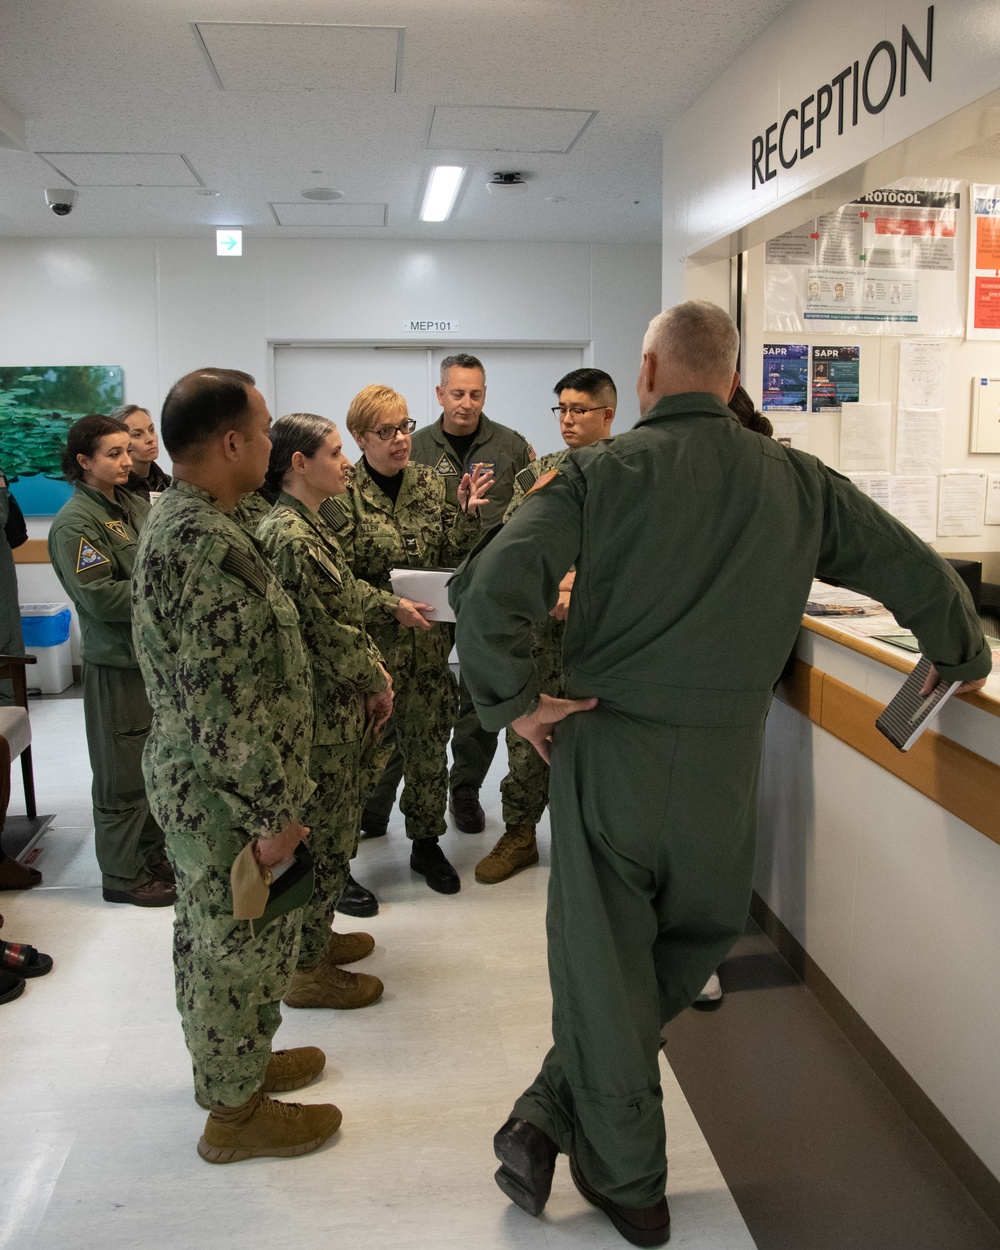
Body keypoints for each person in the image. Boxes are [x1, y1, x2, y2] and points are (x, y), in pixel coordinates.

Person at [449, 300, 990, 1247]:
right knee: (693, 939)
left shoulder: (595, 472)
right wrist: (958, 653)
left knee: (602, 963)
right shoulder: (801, 482)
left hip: (611, 749)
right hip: (727, 766)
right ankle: (550, 1111)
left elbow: (489, 588)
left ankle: (626, 1179)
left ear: (647, 377)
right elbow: (924, 580)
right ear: (734, 381)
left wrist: (513, 704)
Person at [132, 368, 340, 1163]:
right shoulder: (208, 548)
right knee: (231, 951)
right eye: (260, 431)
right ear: (229, 444)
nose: (271, 443)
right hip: (228, 799)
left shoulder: (193, 517)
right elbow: (229, 706)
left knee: (216, 938)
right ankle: (234, 1114)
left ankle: (237, 1068)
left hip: (198, 783)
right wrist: (272, 819)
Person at [323, 384, 490, 894]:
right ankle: (339, 864)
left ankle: (425, 843)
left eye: (405, 427)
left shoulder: (425, 484)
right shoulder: (340, 494)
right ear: (358, 436)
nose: (400, 440)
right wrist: (387, 605)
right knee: (353, 765)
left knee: (427, 755)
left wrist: (465, 516)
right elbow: (334, 582)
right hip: (370, 662)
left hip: (427, 655)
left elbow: (450, 554)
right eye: (386, 431)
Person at [257, 413, 391, 1010]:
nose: (345, 463)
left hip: (334, 709)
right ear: (298, 464)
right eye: (335, 453)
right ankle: (305, 970)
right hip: (318, 717)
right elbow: (325, 631)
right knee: (326, 839)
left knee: (336, 836)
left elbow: (342, 601)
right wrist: (376, 676)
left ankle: (317, 940)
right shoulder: (289, 534)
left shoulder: (309, 526)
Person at [475, 367, 616, 886]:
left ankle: (593, 845)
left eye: (579, 410)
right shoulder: (541, 474)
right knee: (527, 740)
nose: (568, 420)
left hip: (600, 639)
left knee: (599, 743)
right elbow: (519, 545)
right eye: (562, 409)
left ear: (608, 413)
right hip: (542, 635)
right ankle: (519, 834)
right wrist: (557, 576)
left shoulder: (627, 474)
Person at [47, 416, 174, 907]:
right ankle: (123, 877)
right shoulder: (76, 523)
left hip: (151, 662)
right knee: (122, 778)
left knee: (152, 769)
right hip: (116, 666)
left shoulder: (132, 506)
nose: (127, 460)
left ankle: (151, 857)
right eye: (113, 454)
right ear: (84, 462)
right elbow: (101, 598)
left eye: (128, 450)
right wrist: (167, 593)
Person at [408, 354, 534, 835]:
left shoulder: (510, 447)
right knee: (417, 693)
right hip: (428, 590)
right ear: (440, 395)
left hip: (489, 592)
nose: (466, 403)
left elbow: (533, 510)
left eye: (475, 394)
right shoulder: (413, 448)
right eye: (457, 393)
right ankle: (385, 801)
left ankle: (465, 790)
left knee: (480, 696)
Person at [112, 404, 172, 501]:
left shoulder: (169, 483)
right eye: (137, 435)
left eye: (151, 430)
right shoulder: (116, 490)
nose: (150, 439)